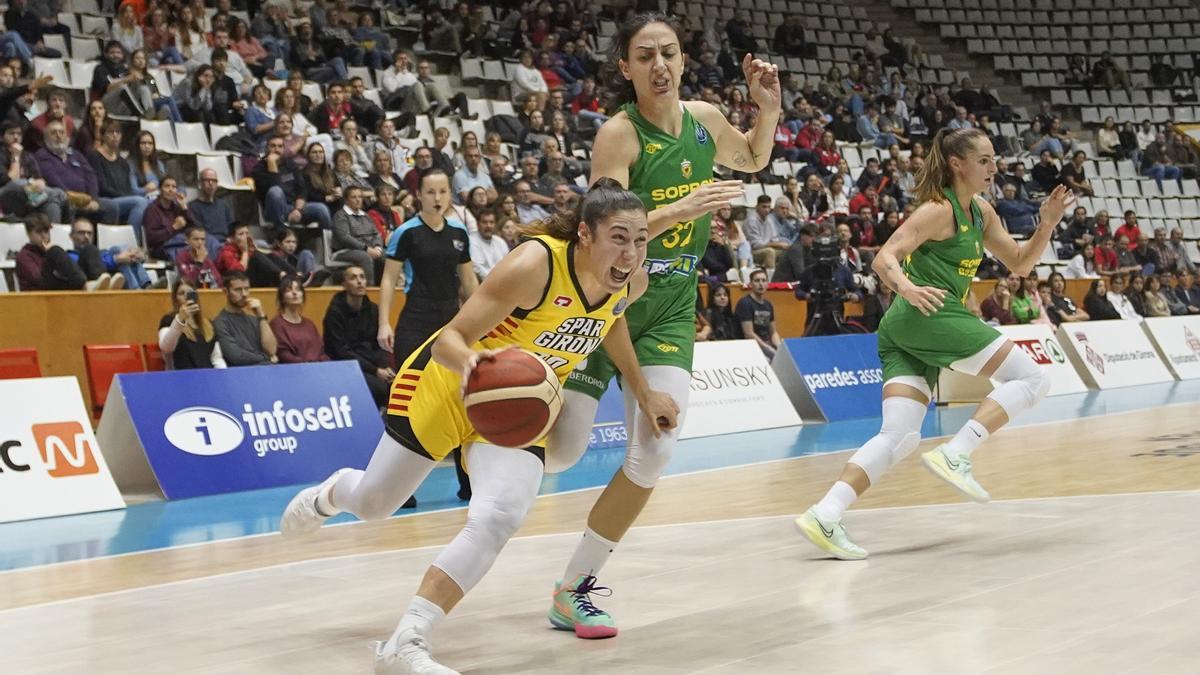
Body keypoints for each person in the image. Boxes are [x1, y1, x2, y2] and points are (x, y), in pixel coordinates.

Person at [279, 180, 667, 673]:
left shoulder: (630, 281)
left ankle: (406, 641)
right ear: (586, 235)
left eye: (641, 239)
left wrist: (642, 388)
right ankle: (332, 493)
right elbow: (451, 339)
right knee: (376, 505)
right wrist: (477, 369)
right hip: (447, 382)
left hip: (513, 409)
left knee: (501, 515)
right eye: (619, 237)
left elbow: (610, 320)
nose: (632, 252)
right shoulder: (536, 265)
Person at [545, 13, 778, 637]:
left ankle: (575, 587)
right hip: (605, 306)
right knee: (562, 452)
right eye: (644, 55)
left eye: (669, 52)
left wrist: (767, 107)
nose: (660, 64)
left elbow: (754, 156)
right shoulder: (618, 136)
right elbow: (604, 228)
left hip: (670, 305)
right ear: (626, 68)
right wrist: (683, 207)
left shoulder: (703, 120)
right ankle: (475, 448)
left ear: (682, 59)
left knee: (656, 448)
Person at [797, 127, 1074, 560]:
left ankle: (826, 513)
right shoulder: (938, 210)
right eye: (983, 160)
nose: (993, 167)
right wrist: (907, 288)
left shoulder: (981, 212)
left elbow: (1020, 263)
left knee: (900, 434)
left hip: (904, 329)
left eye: (993, 159)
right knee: (1033, 379)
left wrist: (1048, 223)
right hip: (927, 312)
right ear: (957, 164)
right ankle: (957, 452)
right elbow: (884, 257)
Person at [377, 170, 477, 366]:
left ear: (450, 194)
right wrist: (383, 324)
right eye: (431, 192)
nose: (437, 198)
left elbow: (469, 280)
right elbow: (388, 280)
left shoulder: (459, 231)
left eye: (443, 191)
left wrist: (481, 319)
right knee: (410, 386)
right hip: (417, 318)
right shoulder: (406, 232)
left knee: (450, 388)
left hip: (451, 319)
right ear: (419, 195)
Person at [323, 264, 396, 408]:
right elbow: (340, 351)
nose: (359, 281)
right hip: (347, 365)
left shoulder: (373, 309)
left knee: (399, 383)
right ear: (344, 284)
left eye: (362, 277)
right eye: (353, 278)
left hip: (373, 363)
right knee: (379, 388)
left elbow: (379, 343)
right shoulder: (334, 313)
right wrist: (375, 371)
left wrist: (384, 366)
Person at [253, 135, 333, 231]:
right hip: (272, 210)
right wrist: (272, 164)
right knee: (275, 191)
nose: (277, 149)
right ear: (266, 148)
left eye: (280, 146)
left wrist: (298, 210)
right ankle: (281, 235)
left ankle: (327, 242)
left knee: (321, 209)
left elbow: (302, 190)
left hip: (293, 207)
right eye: (273, 146)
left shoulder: (290, 165)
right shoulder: (259, 169)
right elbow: (273, 186)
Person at [86, 119, 150, 234]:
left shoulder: (122, 162)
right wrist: (125, 196)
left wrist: (127, 196)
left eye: (118, 132)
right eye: (111, 132)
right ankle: (132, 240)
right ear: (103, 135)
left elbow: (128, 187)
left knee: (149, 203)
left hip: (123, 199)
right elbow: (102, 186)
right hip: (105, 199)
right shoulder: (94, 156)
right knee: (139, 202)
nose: (115, 135)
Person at [67, 216, 152, 290]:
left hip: (111, 280)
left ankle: (147, 285)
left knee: (118, 249)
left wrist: (137, 256)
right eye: (81, 233)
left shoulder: (101, 252)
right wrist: (116, 259)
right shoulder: (69, 256)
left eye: (89, 233)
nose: (86, 236)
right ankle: (135, 288)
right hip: (91, 283)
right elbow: (92, 264)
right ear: (71, 236)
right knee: (113, 252)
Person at [213, 271, 278, 366]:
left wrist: (261, 316)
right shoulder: (220, 322)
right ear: (225, 292)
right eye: (238, 290)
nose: (244, 294)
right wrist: (266, 358)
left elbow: (272, 350)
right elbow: (236, 356)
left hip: (265, 370)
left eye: (247, 289)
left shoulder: (255, 319)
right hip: (241, 374)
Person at [159, 279, 226, 369]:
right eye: (181, 293)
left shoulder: (208, 324)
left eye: (190, 293)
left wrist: (223, 376)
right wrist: (180, 320)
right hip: (182, 376)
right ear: (175, 299)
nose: (186, 297)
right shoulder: (169, 320)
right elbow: (166, 348)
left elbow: (216, 358)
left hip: (208, 376)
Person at [15, 213, 87, 291]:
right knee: (55, 250)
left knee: (89, 249)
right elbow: (39, 281)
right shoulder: (24, 256)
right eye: (38, 232)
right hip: (37, 296)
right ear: (29, 234)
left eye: (46, 231)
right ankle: (84, 283)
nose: (43, 236)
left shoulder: (48, 252)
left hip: (56, 291)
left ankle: (95, 283)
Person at [331, 185, 385, 283]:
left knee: (386, 256)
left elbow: (376, 234)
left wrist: (378, 247)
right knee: (365, 257)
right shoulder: (340, 215)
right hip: (345, 251)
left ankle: (383, 289)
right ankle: (369, 291)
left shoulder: (365, 215)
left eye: (360, 197)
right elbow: (345, 238)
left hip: (368, 249)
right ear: (346, 200)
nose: (358, 200)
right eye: (354, 197)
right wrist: (366, 249)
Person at [270, 277, 329, 363]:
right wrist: (305, 365)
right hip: (294, 370)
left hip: (316, 369)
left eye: (298, 290)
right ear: (282, 298)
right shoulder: (276, 324)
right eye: (289, 290)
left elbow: (320, 350)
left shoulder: (309, 324)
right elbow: (283, 353)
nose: (294, 293)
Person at [143, 175, 200, 261]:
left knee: (206, 242)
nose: (170, 189)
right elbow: (152, 238)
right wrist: (174, 227)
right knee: (189, 252)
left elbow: (196, 230)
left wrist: (184, 208)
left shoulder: (177, 208)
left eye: (173, 187)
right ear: (160, 190)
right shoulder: (152, 209)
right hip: (163, 247)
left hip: (182, 243)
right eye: (167, 186)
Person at [216, 221, 287, 288]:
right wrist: (245, 251)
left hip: (249, 279)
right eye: (241, 234)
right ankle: (281, 275)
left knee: (271, 256)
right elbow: (239, 273)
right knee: (255, 256)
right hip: (235, 284)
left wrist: (250, 248)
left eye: (247, 233)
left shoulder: (247, 246)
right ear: (231, 239)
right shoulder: (226, 252)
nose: (245, 237)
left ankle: (294, 275)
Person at [735, 268, 782, 359]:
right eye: (757, 281)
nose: (761, 284)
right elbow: (749, 334)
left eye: (764, 280)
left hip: (767, 345)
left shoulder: (768, 305)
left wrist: (780, 348)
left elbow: (773, 332)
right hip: (750, 348)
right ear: (750, 284)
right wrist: (769, 350)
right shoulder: (745, 303)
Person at [468, 209, 509, 280]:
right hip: (483, 284)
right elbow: (476, 268)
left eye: (491, 222)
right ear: (477, 224)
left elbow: (508, 264)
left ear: (495, 224)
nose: (488, 226)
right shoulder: (471, 240)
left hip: (502, 282)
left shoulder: (500, 242)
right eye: (484, 222)